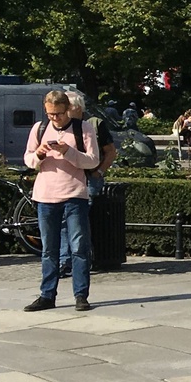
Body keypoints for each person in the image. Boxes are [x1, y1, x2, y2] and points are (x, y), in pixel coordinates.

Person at [23, 90, 101, 312]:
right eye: (50, 114)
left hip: (74, 195)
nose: (54, 118)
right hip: (45, 196)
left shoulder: (83, 128)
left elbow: (93, 161)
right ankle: (47, 295)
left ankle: (81, 295)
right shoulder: (39, 128)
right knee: (49, 249)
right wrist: (39, 154)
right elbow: (28, 159)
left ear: (67, 110)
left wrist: (68, 152)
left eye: (58, 114)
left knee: (78, 247)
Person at [59, 91, 117, 276]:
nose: (63, 112)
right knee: (65, 220)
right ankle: (65, 260)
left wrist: (99, 172)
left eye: (67, 107)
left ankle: (80, 259)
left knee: (79, 220)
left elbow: (111, 152)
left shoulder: (94, 124)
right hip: (66, 179)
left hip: (89, 179)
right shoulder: (59, 127)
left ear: (77, 108)